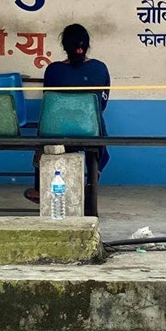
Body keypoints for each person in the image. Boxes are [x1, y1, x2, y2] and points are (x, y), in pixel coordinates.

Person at [24, 23, 110, 203]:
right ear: (87, 45)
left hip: (56, 131)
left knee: (43, 138)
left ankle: (40, 188)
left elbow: (50, 103)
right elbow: (102, 104)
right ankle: (90, 184)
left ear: (64, 46)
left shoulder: (53, 70)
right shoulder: (100, 68)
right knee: (97, 127)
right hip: (90, 130)